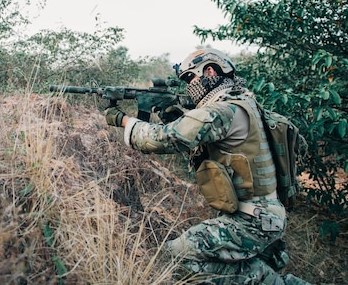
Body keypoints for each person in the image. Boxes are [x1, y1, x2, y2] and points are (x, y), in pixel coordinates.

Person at [104, 48, 311, 285]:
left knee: (175, 258)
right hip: (263, 215)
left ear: (209, 71)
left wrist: (124, 121)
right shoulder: (245, 102)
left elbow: (166, 138)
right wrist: (174, 115)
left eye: (190, 79)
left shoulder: (225, 109)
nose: (188, 87)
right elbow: (207, 141)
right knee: (231, 266)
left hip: (252, 220)